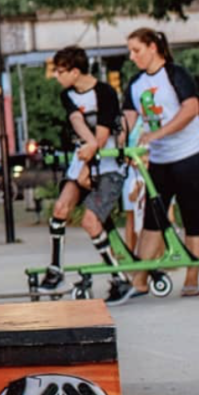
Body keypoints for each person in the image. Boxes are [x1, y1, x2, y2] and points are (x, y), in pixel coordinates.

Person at [38, 47, 136, 303]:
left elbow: (103, 132)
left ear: (75, 71)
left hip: (108, 165)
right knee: (60, 209)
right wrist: (88, 149)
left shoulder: (105, 92)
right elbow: (77, 121)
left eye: (60, 71)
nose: (56, 76)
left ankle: (120, 279)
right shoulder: (67, 94)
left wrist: (91, 156)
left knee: (90, 221)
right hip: (82, 159)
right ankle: (55, 270)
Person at [121, 28, 199, 299]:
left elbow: (191, 108)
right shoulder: (136, 84)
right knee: (153, 217)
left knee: (191, 213)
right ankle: (140, 280)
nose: (132, 56)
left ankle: (192, 276)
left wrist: (158, 134)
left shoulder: (175, 74)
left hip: (190, 153)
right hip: (160, 159)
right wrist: (123, 144)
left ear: (152, 47)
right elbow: (128, 119)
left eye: (136, 50)